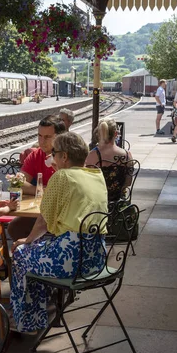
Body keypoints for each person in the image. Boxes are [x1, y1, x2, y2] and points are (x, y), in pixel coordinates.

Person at [9, 132, 108, 333]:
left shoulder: (61, 176)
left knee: (21, 254)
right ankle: (37, 316)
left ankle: (25, 321)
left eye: (54, 153)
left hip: (71, 261)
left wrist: (25, 240)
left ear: (64, 156)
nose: (51, 157)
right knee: (36, 252)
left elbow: (43, 221)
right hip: (95, 258)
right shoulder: (96, 175)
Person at [9, 115, 66, 241]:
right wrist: (42, 190)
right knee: (14, 228)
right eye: (39, 136)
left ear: (59, 137)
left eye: (47, 137)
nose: (42, 141)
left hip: (64, 213)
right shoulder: (36, 155)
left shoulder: (67, 156)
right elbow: (19, 183)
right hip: (39, 211)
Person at [85, 117, 134, 203]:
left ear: (98, 133)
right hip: (119, 205)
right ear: (116, 134)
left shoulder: (93, 155)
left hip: (98, 205)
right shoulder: (127, 155)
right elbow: (128, 182)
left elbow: (88, 184)